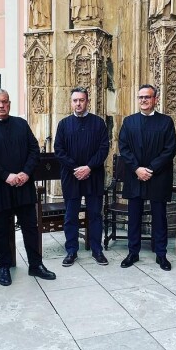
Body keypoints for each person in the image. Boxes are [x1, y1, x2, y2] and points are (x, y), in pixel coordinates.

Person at [0, 89, 56, 286]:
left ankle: (35, 264)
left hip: (23, 184)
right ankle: (4, 266)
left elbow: (34, 149)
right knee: (1, 228)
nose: (2, 106)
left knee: (30, 227)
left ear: (10, 103)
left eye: (5, 102)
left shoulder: (21, 124)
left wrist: (25, 172)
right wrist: (5, 175)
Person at [118, 85, 176, 270]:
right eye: (140, 97)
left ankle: (161, 254)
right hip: (135, 176)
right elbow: (124, 147)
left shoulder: (166, 122)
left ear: (155, 99)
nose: (143, 100)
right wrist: (137, 169)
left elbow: (170, 150)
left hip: (158, 176)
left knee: (160, 217)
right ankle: (132, 252)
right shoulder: (129, 122)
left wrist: (150, 169)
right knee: (134, 216)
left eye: (147, 97)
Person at [53, 87, 110, 266]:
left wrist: (89, 167)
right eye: (75, 100)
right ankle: (71, 251)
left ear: (87, 101)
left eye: (82, 100)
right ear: (71, 102)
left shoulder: (99, 123)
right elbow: (59, 150)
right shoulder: (63, 124)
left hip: (93, 176)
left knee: (95, 215)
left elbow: (103, 149)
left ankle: (97, 250)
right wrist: (76, 168)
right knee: (70, 216)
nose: (78, 103)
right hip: (71, 177)